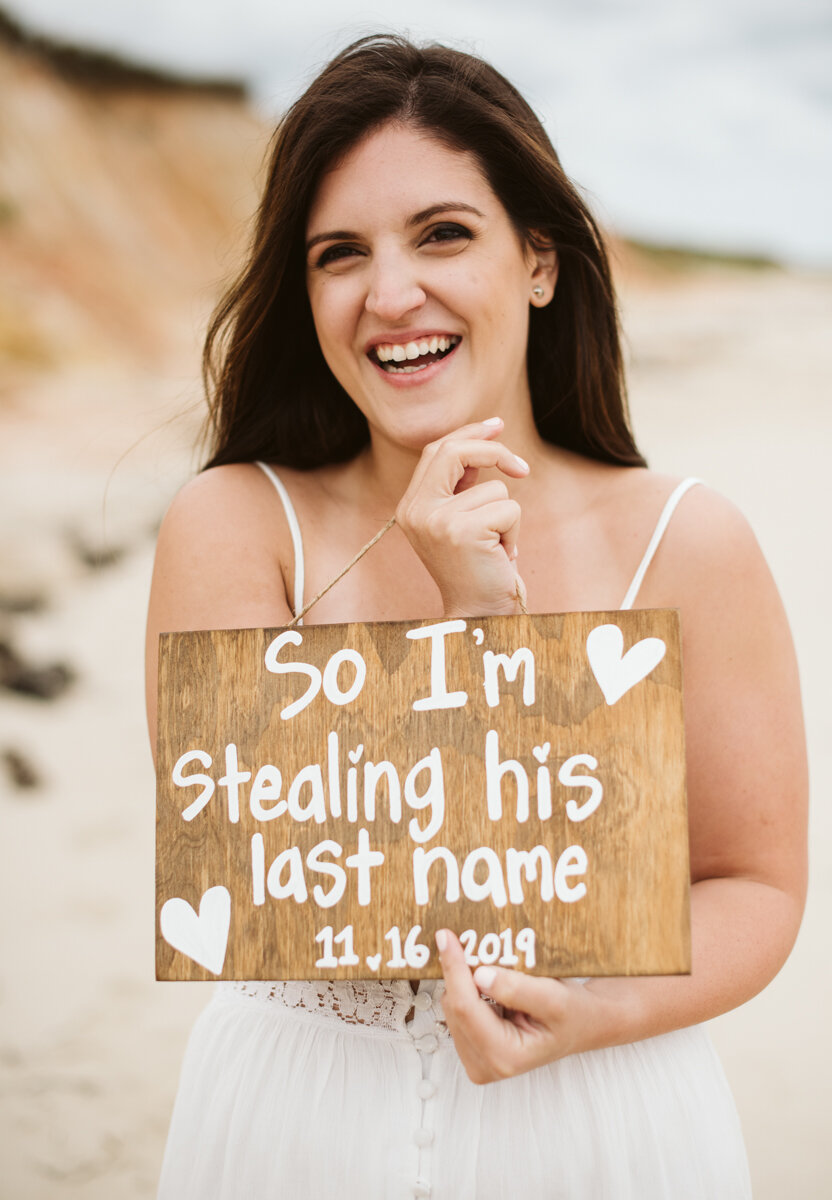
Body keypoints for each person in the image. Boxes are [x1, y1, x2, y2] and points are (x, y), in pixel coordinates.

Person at [146, 34, 807, 1199]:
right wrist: (465, 623)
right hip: (296, 1119)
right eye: (337, 255)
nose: (390, 294)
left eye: (442, 234)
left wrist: (593, 1014)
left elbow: (754, 883)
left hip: (603, 1121)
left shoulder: (690, 540)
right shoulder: (236, 524)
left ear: (539, 261)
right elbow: (253, 886)